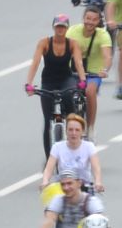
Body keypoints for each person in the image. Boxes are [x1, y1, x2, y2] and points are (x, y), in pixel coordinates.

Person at [26, 15, 89, 161]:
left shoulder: (72, 43)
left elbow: (78, 62)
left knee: (71, 111)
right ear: (54, 27)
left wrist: (82, 80)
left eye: (63, 27)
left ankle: (76, 146)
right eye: (58, 26)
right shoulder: (44, 43)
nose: (60, 29)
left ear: (67, 28)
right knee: (47, 120)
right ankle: (49, 158)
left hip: (65, 79)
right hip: (48, 81)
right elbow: (35, 63)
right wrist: (29, 83)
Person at [41, 112, 102, 193]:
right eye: (70, 130)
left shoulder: (89, 147)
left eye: (77, 130)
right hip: (64, 188)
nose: (74, 133)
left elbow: (96, 168)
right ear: (66, 131)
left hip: (84, 189)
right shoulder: (57, 147)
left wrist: (98, 182)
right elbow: (48, 169)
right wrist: (45, 181)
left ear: (82, 132)